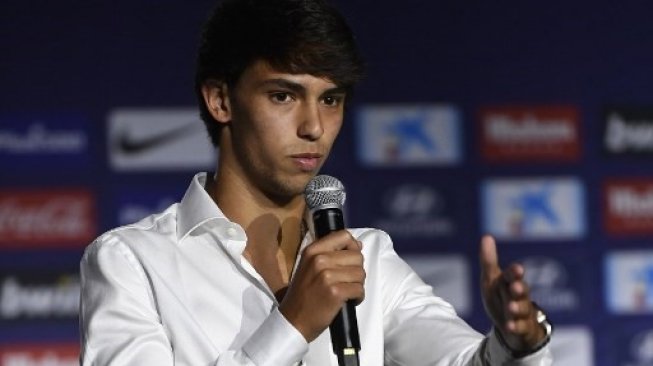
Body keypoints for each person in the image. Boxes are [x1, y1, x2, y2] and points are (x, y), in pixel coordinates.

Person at [79, 0, 553, 364]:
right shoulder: (132, 262)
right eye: (283, 95)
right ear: (221, 100)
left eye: (331, 99)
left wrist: (516, 346)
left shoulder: (367, 256)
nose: (313, 127)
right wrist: (292, 324)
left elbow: (465, 360)